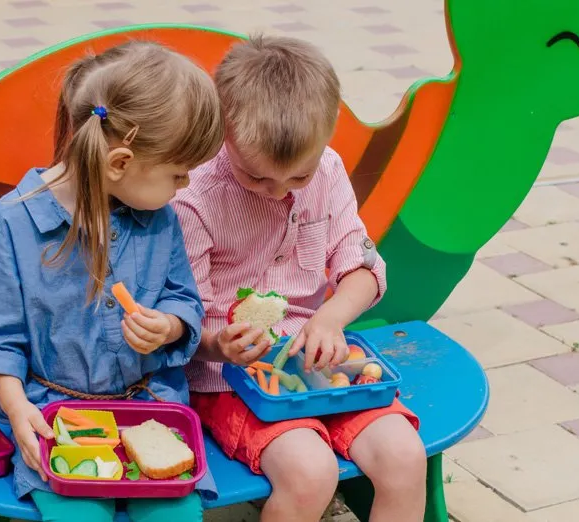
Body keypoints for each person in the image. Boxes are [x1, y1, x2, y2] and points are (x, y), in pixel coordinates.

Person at [0, 41, 225, 522]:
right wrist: (18, 410)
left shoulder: (161, 219)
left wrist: (169, 326)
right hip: (54, 415)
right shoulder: (9, 226)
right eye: (178, 174)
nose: (185, 186)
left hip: (151, 408)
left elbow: (182, 297)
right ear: (119, 163)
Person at [171, 35, 427, 521]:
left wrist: (331, 318)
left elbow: (362, 268)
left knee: (404, 457)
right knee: (310, 474)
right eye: (256, 177)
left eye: (297, 178)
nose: (277, 192)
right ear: (224, 131)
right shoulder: (195, 197)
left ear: (327, 135)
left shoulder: (327, 170)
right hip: (227, 379)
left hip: (320, 361)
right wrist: (218, 344)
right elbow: (181, 320)